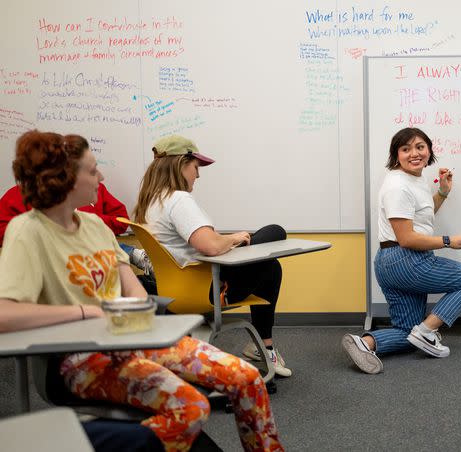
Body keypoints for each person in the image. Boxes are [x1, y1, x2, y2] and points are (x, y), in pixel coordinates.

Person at [0, 130, 283, 452]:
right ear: (62, 178)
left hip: (131, 340)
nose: (101, 176)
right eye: (92, 170)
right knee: (192, 409)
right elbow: (5, 314)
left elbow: (134, 294)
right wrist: (85, 311)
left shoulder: (94, 226)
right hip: (82, 360)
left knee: (247, 379)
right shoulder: (27, 231)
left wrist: (142, 317)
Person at [132, 135, 292, 378]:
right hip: (207, 291)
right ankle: (265, 347)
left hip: (170, 290)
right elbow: (210, 246)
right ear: (180, 164)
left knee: (266, 258)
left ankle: (265, 349)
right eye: (196, 167)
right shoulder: (178, 200)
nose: (198, 175)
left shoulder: (150, 201)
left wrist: (229, 241)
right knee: (273, 246)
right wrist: (236, 239)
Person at [341, 127, 461, 374]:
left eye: (420, 147)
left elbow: (420, 220)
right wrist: (449, 241)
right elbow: (407, 238)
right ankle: (427, 332)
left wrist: (442, 192)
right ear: (396, 155)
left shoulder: (413, 180)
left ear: (429, 150)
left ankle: (365, 343)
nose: (414, 153)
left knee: (406, 332)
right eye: (406, 149)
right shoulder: (398, 186)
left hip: (393, 262)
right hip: (406, 260)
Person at [0, 137, 154, 277]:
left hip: (98, 264)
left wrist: (86, 222)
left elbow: (121, 220)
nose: (101, 177)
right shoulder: (20, 203)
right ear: (67, 176)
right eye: (92, 171)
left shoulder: (95, 219)